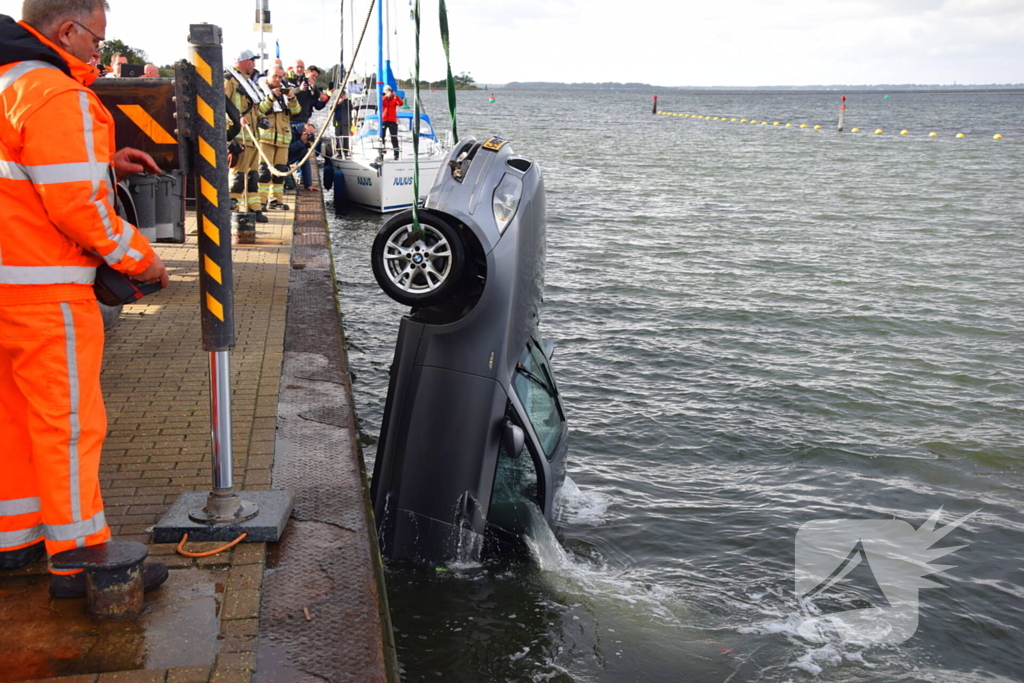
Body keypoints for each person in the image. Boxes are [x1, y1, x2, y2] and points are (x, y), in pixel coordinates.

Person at [0, 0, 170, 597]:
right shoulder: (55, 93)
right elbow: (77, 207)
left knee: (12, 418)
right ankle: (81, 560)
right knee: (68, 426)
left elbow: (24, 176)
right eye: (97, 40)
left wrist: (103, 164)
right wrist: (141, 259)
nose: (101, 51)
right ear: (66, 30)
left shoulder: (8, 83)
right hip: (44, 293)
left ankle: (13, 538)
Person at [224, 49, 267, 222]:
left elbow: (254, 107)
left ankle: (253, 208)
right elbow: (221, 107)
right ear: (246, 61)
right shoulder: (229, 80)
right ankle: (232, 209)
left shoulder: (247, 82)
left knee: (253, 176)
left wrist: (262, 118)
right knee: (238, 176)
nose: (254, 64)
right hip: (239, 137)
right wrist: (231, 131)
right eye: (253, 61)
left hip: (253, 138)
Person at [257, 66, 300, 210]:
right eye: (275, 76)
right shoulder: (259, 90)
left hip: (283, 138)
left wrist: (292, 98)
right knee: (264, 171)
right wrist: (271, 97)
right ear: (268, 74)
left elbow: (296, 111)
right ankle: (261, 202)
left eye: (280, 77)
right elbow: (259, 110)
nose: (277, 79)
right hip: (265, 138)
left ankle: (276, 200)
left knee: (280, 171)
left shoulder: (284, 92)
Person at [285, 60, 328, 190]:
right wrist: (299, 89)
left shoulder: (306, 81)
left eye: (301, 67)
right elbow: (286, 93)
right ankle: (287, 179)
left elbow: (316, 98)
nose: (299, 69)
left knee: (304, 151)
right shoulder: (287, 80)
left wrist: (313, 87)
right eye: (297, 67)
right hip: (289, 121)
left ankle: (307, 183)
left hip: (302, 121)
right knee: (288, 150)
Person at [380, 84, 403, 160]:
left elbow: (401, 103)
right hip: (384, 120)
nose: (388, 91)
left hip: (392, 120)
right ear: (384, 91)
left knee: (394, 138)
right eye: (387, 90)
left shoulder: (394, 99)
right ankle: (381, 154)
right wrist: (386, 96)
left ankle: (396, 154)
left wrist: (395, 96)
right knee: (382, 137)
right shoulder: (383, 98)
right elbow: (380, 102)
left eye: (389, 90)